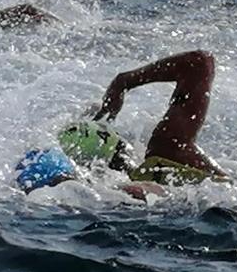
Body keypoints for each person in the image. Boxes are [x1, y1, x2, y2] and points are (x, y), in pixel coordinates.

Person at [84, 49, 226, 186]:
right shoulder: (169, 146)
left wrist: (122, 82)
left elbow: (197, 62)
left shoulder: (167, 147)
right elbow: (198, 62)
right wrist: (123, 82)